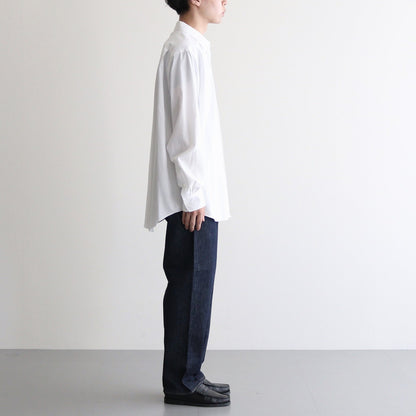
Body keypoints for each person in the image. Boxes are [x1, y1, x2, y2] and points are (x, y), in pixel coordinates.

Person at [144, 0, 231, 407]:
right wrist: (194, 193)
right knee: (189, 285)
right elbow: (185, 130)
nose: (225, 1)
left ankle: (189, 373)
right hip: (191, 199)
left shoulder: (192, 46)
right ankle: (182, 382)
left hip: (198, 194)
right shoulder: (183, 50)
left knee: (195, 285)